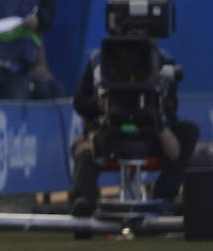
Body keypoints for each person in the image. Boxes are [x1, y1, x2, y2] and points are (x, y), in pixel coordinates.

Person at [69, 48, 199, 217]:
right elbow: (80, 102)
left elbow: (171, 109)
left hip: (151, 133)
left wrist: (160, 124)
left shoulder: (164, 61)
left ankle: (164, 199)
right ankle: (84, 205)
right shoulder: (99, 59)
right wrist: (99, 106)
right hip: (109, 131)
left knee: (188, 131)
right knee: (85, 149)